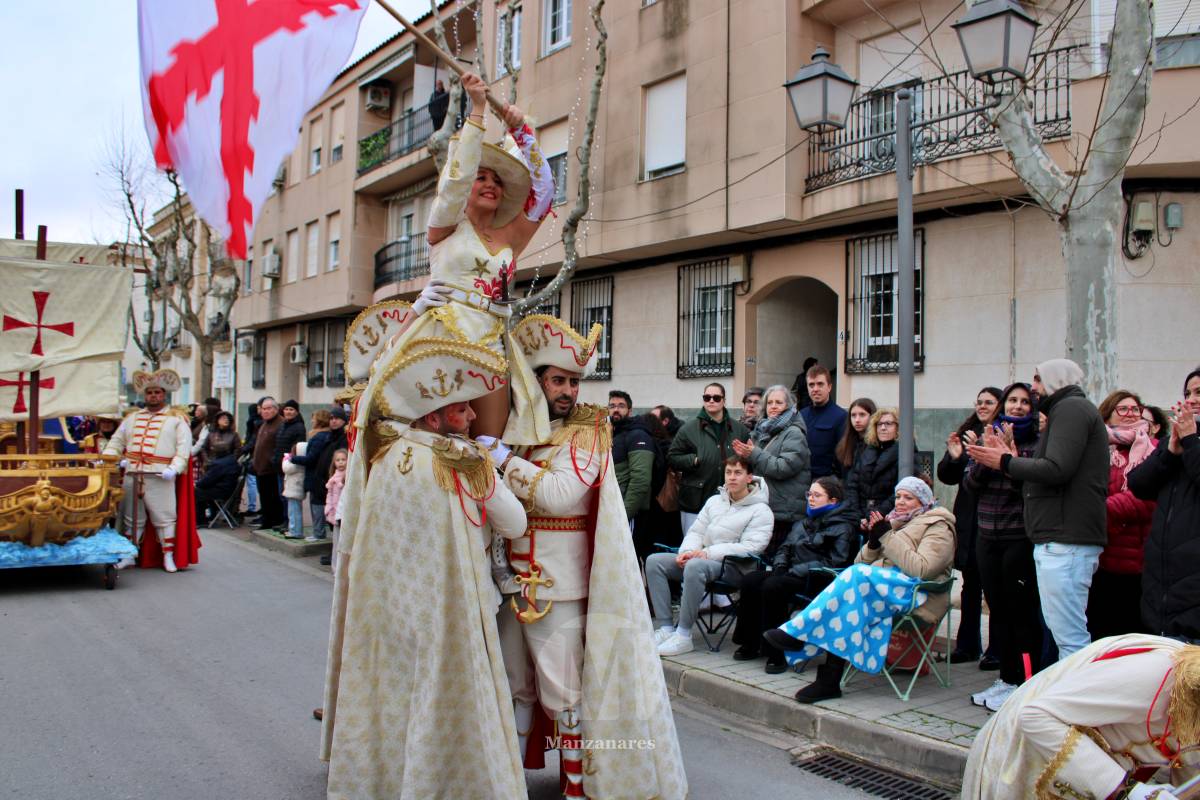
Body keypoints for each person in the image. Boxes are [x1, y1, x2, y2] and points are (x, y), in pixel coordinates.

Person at [320, 339, 532, 799]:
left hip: (389, 609)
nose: (473, 417)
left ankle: (385, 782)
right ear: (433, 416)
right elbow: (515, 523)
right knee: (447, 701)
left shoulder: (383, 457)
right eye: (462, 410)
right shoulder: (467, 460)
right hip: (451, 610)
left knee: (395, 695)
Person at [489, 314, 687, 800]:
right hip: (510, 581)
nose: (568, 391)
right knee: (514, 687)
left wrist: (502, 461)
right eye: (558, 380)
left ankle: (576, 789)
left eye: (574, 381)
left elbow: (559, 496)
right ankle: (510, 785)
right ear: (537, 382)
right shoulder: (517, 431)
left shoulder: (587, 432)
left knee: (565, 696)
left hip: (560, 585)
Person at [403, 72, 556, 445]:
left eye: (498, 180)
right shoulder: (445, 225)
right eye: (481, 176)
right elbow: (453, 183)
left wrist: (523, 134)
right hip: (441, 337)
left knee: (488, 446)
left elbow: (545, 192)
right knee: (432, 442)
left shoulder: (509, 237)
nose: (490, 184)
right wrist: (478, 110)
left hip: (490, 344)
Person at [765, 476, 956, 704]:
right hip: (881, 591)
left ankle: (799, 635)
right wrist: (874, 543)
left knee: (854, 580)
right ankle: (828, 679)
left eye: (909, 497)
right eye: (898, 496)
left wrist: (886, 536)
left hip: (918, 593)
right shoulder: (895, 521)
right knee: (850, 597)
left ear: (924, 501)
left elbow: (923, 570)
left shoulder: (938, 525)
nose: (901, 502)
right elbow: (859, 562)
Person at [969, 359, 1109, 659]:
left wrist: (1005, 462)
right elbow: (1049, 475)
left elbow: (1057, 468)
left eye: (1037, 379)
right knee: (1065, 634)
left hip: (1066, 540)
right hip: (1060, 538)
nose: (1033, 388)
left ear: (1055, 380)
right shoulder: (1065, 410)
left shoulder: (1071, 409)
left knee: (1070, 638)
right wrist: (1012, 462)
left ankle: (1074, 703)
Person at [962, 634, 1200, 800]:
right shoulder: (1154, 675)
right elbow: (1035, 716)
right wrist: (1123, 789)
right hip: (1027, 753)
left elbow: (1190, 767)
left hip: (1082, 781)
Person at [646, 455, 774, 657]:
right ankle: (666, 629)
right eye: (728, 472)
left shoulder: (761, 510)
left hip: (735, 569)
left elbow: (751, 547)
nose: (732, 477)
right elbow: (696, 532)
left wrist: (706, 553)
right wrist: (687, 553)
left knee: (695, 566)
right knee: (655, 562)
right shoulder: (715, 501)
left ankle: (683, 635)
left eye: (738, 473)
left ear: (750, 477)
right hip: (702, 560)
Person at [966, 383, 1043, 712]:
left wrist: (1008, 458)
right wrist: (988, 456)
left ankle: (1026, 682)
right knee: (997, 611)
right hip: (987, 535)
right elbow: (971, 484)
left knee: (1020, 614)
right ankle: (1006, 678)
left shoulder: (1038, 443)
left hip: (1018, 537)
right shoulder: (989, 434)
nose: (1018, 406)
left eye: (1025, 401)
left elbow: (1030, 486)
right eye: (1013, 400)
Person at [731, 476, 857, 673]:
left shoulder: (843, 526)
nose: (811, 499)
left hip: (817, 579)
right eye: (809, 494)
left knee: (773, 587)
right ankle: (751, 642)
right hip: (791, 573)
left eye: (817, 495)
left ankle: (777, 653)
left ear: (833, 501)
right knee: (751, 580)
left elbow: (836, 562)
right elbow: (785, 547)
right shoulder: (804, 522)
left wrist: (797, 570)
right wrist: (781, 565)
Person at [1130, 368, 1200, 641]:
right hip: (1165, 581)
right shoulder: (1178, 442)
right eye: (1187, 394)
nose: (1191, 400)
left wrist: (1192, 441)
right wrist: (1170, 453)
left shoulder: (1190, 440)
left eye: (1198, 393)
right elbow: (1139, 485)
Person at [104, 369, 198, 573]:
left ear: (164, 394)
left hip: (160, 475)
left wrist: (174, 468)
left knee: (164, 516)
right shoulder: (131, 419)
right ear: (144, 395)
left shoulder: (177, 419)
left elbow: (184, 449)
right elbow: (116, 442)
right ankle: (130, 554)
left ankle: (168, 555)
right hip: (132, 473)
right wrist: (112, 458)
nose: (153, 396)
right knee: (131, 517)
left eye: (157, 392)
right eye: (149, 393)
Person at [938, 386, 1002, 668]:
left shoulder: (1002, 434)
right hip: (968, 516)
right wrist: (954, 456)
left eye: (989, 402)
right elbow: (947, 476)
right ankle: (967, 645)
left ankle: (997, 649)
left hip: (995, 518)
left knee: (994, 588)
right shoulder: (966, 432)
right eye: (979, 402)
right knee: (970, 585)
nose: (983, 406)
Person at [1088, 390, 1157, 640]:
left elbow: (1147, 499)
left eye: (1135, 409)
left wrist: (1099, 509)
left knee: (1136, 635)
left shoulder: (1153, 449)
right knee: (1104, 634)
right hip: (1103, 557)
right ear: (1108, 415)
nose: (1131, 414)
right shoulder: (1096, 450)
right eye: (1123, 409)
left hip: (1141, 562)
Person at [732, 384, 811, 556]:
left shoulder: (794, 433)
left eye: (779, 403)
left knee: (775, 561)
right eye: (770, 403)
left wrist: (754, 454)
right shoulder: (763, 429)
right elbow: (757, 462)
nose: (773, 406)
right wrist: (745, 456)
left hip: (784, 511)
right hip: (766, 506)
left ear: (788, 407)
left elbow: (783, 467)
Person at [667, 381, 750, 536]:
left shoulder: (740, 429)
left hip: (731, 502)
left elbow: (749, 461)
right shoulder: (688, 429)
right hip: (696, 502)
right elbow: (672, 458)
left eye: (716, 398)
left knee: (723, 549)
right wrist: (694, 460)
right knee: (693, 549)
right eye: (707, 397)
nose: (711, 401)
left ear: (724, 401)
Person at [296, 407, 347, 542]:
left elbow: (341, 460)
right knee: (328, 512)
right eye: (331, 418)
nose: (333, 421)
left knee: (336, 515)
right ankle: (331, 547)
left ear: (344, 421)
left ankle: (333, 549)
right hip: (322, 480)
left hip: (335, 481)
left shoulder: (344, 439)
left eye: (337, 418)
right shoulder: (329, 437)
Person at [844, 407, 901, 527]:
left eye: (889, 423)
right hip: (861, 517)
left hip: (888, 518)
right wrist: (859, 516)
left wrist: (877, 514)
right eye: (879, 424)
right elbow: (852, 485)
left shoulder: (905, 453)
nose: (883, 428)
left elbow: (901, 492)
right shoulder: (867, 450)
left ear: (898, 427)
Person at [608, 389, 655, 524]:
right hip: (613, 506)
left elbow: (640, 480)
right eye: (612, 406)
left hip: (626, 513)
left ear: (630, 410)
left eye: (621, 406)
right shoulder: (614, 433)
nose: (616, 409)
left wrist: (623, 516)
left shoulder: (637, 434)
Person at [799, 364, 847, 479]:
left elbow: (843, 457)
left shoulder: (841, 416)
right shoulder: (801, 415)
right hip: (800, 480)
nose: (815, 389)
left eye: (820, 384)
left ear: (829, 387)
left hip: (826, 482)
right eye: (811, 385)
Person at [250, 397, 285, 531]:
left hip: (271, 469)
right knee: (264, 497)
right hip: (260, 468)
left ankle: (274, 521)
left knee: (273, 497)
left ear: (276, 409)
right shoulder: (264, 424)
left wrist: (272, 461)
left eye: (269, 408)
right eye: (264, 409)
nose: (266, 411)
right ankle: (267, 520)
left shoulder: (280, 423)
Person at [833, 397, 876, 478]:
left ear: (872, 416)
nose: (857, 420)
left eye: (862, 415)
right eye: (853, 415)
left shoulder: (877, 445)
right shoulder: (844, 445)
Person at [195, 451, 241, 525]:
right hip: (229, 491)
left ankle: (200, 520)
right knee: (201, 491)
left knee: (195, 492)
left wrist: (197, 484)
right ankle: (211, 515)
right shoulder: (233, 461)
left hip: (221, 492)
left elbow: (206, 481)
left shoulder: (219, 464)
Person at [324, 448, 347, 569]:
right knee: (336, 542)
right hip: (334, 513)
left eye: (343, 459)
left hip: (343, 513)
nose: (341, 462)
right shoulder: (333, 477)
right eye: (338, 460)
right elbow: (330, 495)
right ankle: (336, 568)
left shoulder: (347, 477)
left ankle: (341, 568)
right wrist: (328, 509)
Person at [281, 441, 307, 539]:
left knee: (294, 512)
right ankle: (294, 530)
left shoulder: (296, 463)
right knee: (293, 511)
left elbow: (286, 468)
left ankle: (295, 531)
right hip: (294, 490)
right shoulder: (301, 462)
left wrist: (286, 460)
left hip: (294, 491)